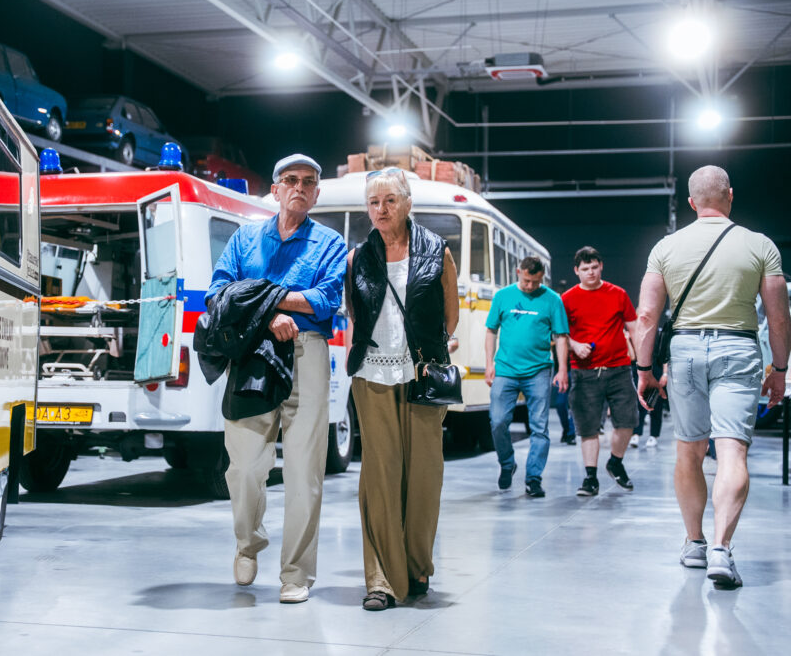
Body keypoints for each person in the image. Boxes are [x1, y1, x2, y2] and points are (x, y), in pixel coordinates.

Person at [635, 165, 790, 588]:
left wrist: (645, 369)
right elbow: (779, 317)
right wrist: (779, 369)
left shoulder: (665, 247)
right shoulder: (760, 245)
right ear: (730, 195)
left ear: (691, 202)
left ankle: (694, 543)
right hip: (738, 350)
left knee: (689, 451)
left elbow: (646, 315)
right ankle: (721, 549)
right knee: (732, 452)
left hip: (684, 352)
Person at [206, 153, 347, 603]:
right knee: (244, 467)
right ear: (275, 189)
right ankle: (247, 544)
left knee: (305, 472)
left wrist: (264, 299)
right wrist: (269, 316)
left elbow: (325, 299)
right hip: (253, 354)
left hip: (307, 352)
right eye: (291, 180)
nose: (299, 187)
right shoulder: (245, 238)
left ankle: (296, 574)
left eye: (308, 181)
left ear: (316, 194)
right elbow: (218, 293)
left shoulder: (330, 243)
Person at [345, 167, 458, 611]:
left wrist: (426, 348)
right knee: (379, 476)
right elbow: (355, 314)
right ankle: (381, 580)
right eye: (373, 203)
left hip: (422, 374)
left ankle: (416, 568)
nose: (381, 210)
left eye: (390, 200)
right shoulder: (357, 258)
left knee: (425, 476)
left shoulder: (437, 251)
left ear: (408, 203)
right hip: (372, 375)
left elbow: (450, 316)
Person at [485, 256, 569, 498]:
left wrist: (563, 369)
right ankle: (507, 463)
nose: (531, 286)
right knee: (498, 421)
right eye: (527, 281)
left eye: (536, 282)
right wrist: (489, 364)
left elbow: (561, 337)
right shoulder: (503, 296)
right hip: (505, 369)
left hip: (539, 370)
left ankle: (533, 478)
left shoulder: (552, 299)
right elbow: (491, 331)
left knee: (539, 427)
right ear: (518, 272)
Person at [561, 247, 639, 496]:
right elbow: (560, 334)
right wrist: (574, 345)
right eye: (585, 269)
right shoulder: (567, 299)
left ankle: (615, 461)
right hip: (584, 372)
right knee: (588, 428)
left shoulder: (618, 294)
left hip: (619, 369)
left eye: (594, 267)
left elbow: (634, 328)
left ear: (601, 266)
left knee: (627, 421)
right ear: (576, 271)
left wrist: (642, 363)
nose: (591, 272)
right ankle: (590, 477)